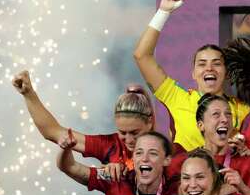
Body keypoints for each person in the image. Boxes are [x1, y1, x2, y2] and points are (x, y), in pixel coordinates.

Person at [133, 0, 250, 151]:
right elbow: (142, 55)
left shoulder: (243, 109)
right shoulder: (177, 98)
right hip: (186, 174)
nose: (209, 68)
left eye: (216, 63)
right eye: (202, 64)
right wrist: (163, 12)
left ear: (226, 72)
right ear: (193, 73)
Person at [14, 71, 153, 169]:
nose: (128, 140)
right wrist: (29, 94)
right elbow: (52, 131)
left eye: (135, 133)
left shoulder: (166, 153)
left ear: (150, 123)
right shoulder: (110, 145)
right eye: (122, 132)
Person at [167, 95, 250, 195]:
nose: (225, 119)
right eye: (216, 114)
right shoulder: (180, 164)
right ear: (201, 125)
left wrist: (240, 190)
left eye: (228, 114)